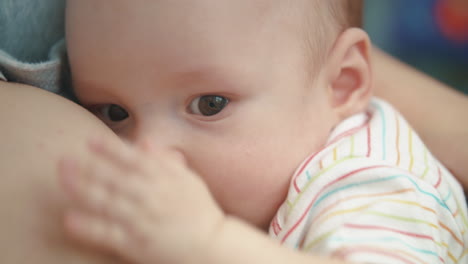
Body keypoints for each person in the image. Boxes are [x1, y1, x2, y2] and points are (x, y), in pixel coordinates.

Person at [0, 1, 467, 264]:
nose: (151, 154)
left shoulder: (371, 183)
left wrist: (208, 241)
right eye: (113, 112)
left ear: (343, 82)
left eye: (210, 105)